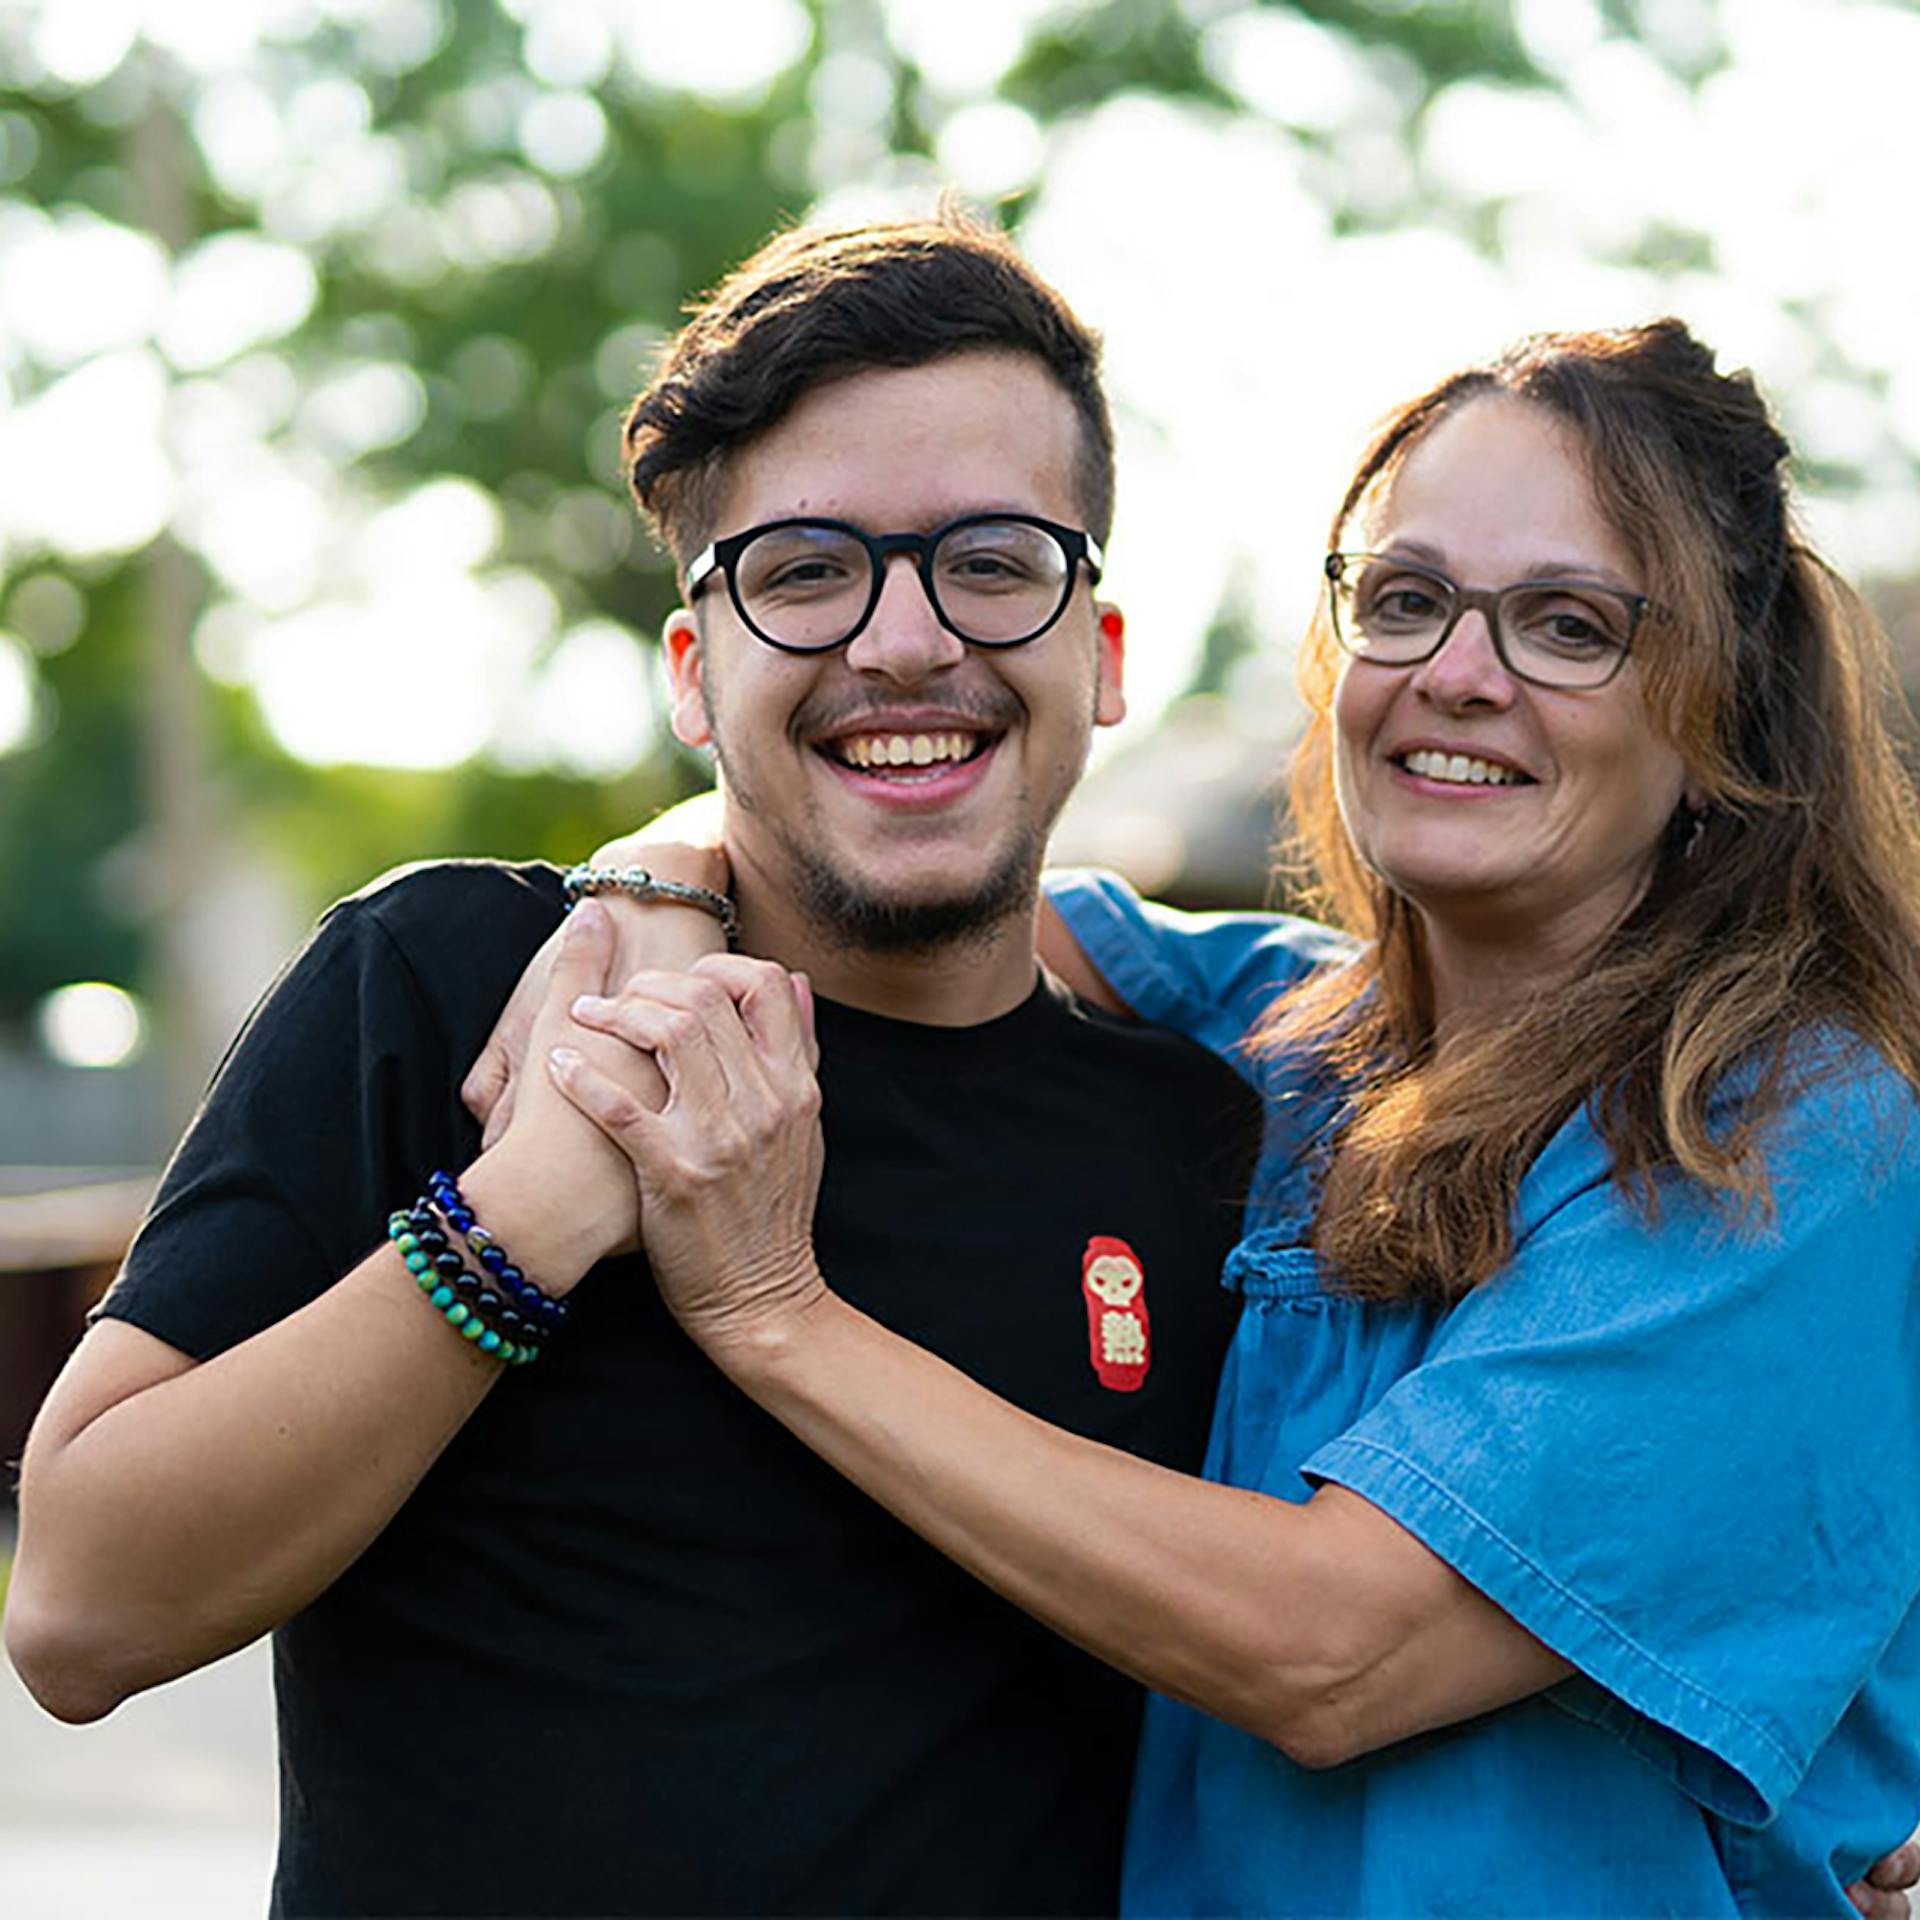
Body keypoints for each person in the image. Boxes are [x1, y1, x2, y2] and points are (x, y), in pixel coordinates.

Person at [534, 318, 1920, 1914]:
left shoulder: (1785, 1132)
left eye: (1567, 625)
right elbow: (896, 860)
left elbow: (1333, 1650)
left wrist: (776, 1311)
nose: (1456, 675)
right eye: (1404, 602)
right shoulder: (1287, 1031)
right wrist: (653, 884)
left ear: (1721, 716)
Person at [3, 213, 1265, 1917]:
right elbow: (82, 1614)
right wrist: (521, 1218)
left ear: (1099, 656)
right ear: (696, 670)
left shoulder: (1211, 1144)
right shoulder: (452, 983)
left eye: (993, 559)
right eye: (808, 569)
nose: (904, 641)